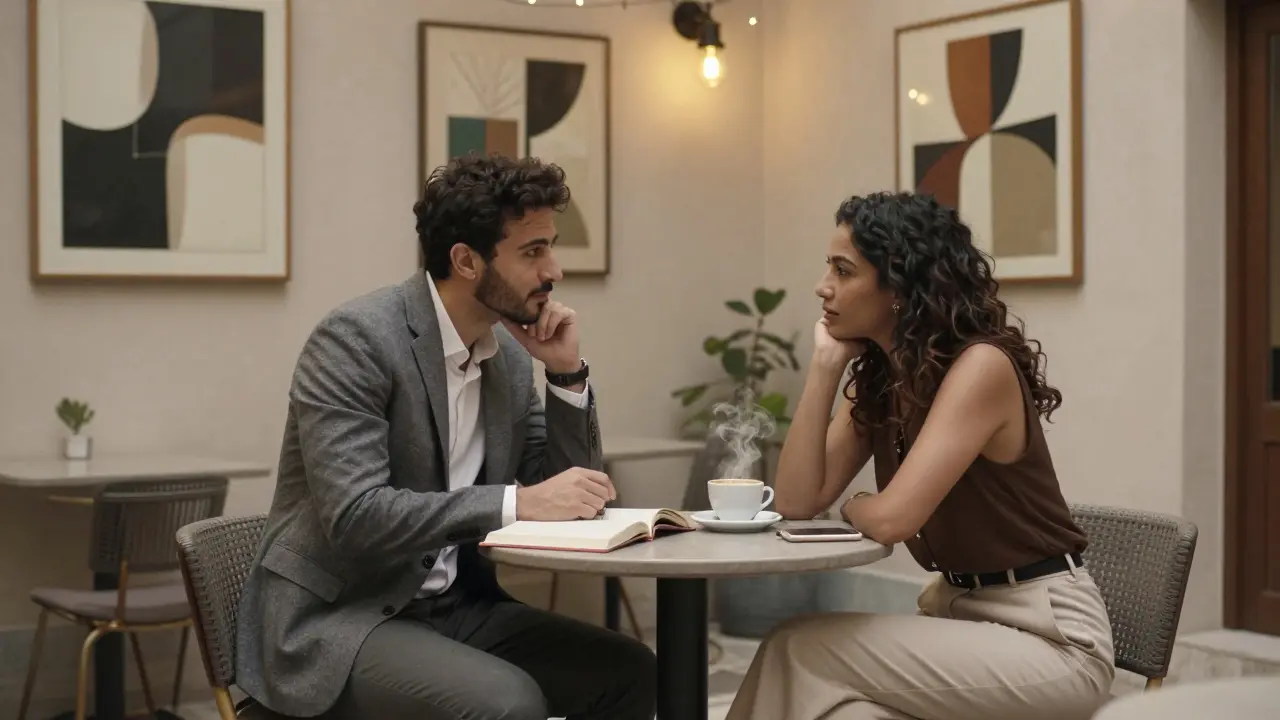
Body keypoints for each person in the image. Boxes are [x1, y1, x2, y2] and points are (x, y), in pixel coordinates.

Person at [234, 153, 656, 720]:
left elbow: (568, 491)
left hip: (458, 608)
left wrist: (564, 373)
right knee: (508, 704)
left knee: (631, 672)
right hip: (341, 620)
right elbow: (355, 516)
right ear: (466, 261)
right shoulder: (355, 341)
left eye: (551, 246)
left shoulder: (506, 357)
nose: (554, 270)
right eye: (533, 251)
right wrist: (516, 503)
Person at [726, 191, 1114, 720]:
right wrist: (824, 366)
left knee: (796, 645)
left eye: (843, 271)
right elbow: (795, 500)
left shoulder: (981, 367)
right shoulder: (885, 379)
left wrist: (857, 502)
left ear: (899, 290)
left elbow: (890, 519)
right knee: (846, 715)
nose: (823, 286)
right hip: (964, 622)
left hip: (1051, 640)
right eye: (828, 269)